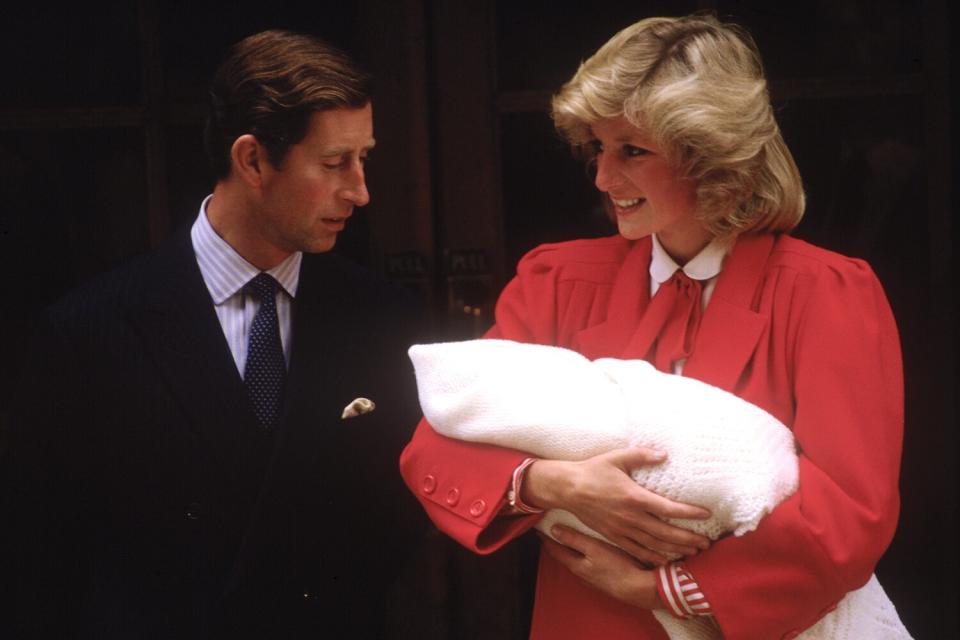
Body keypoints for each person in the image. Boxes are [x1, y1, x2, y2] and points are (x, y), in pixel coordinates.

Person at [400, 13, 903, 640]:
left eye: (632, 151)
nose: (604, 178)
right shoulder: (555, 281)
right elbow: (435, 439)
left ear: (710, 151)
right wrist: (555, 483)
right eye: (598, 149)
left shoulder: (826, 294)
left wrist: (663, 589)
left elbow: (854, 512)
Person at [1, 30, 424, 639]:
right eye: (334, 163)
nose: (360, 190)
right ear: (251, 160)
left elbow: (397, 532)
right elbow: (37, 564)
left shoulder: (384, 317)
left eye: (364, 159)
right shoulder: (87, 333)